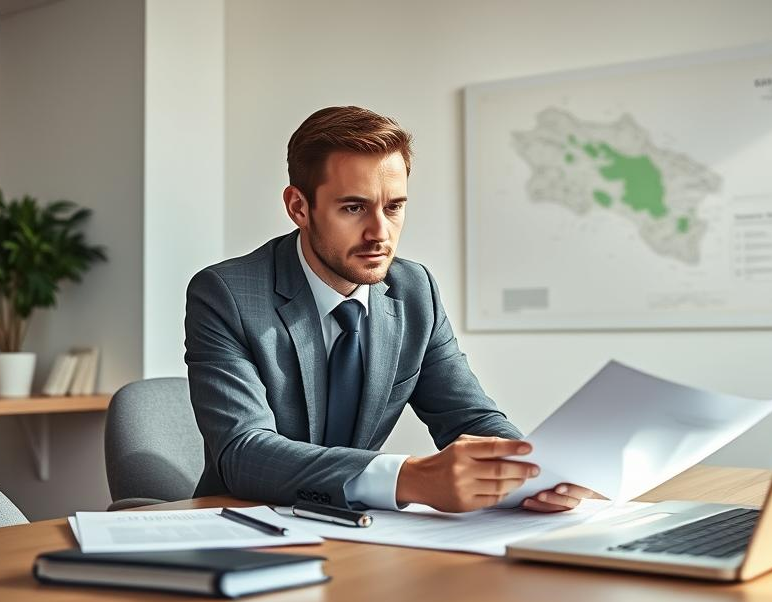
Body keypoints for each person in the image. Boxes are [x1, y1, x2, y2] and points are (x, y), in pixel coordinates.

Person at [185, 106, 600, 513]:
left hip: (362, 531)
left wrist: (530, 474)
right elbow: (243, 452)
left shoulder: (414, 289)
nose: (379, 234)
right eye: (353, 208)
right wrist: (409, 477)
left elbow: (467, 415)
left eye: (393, 207)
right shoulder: (227, 295)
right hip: (247, 524)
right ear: (299, 207)